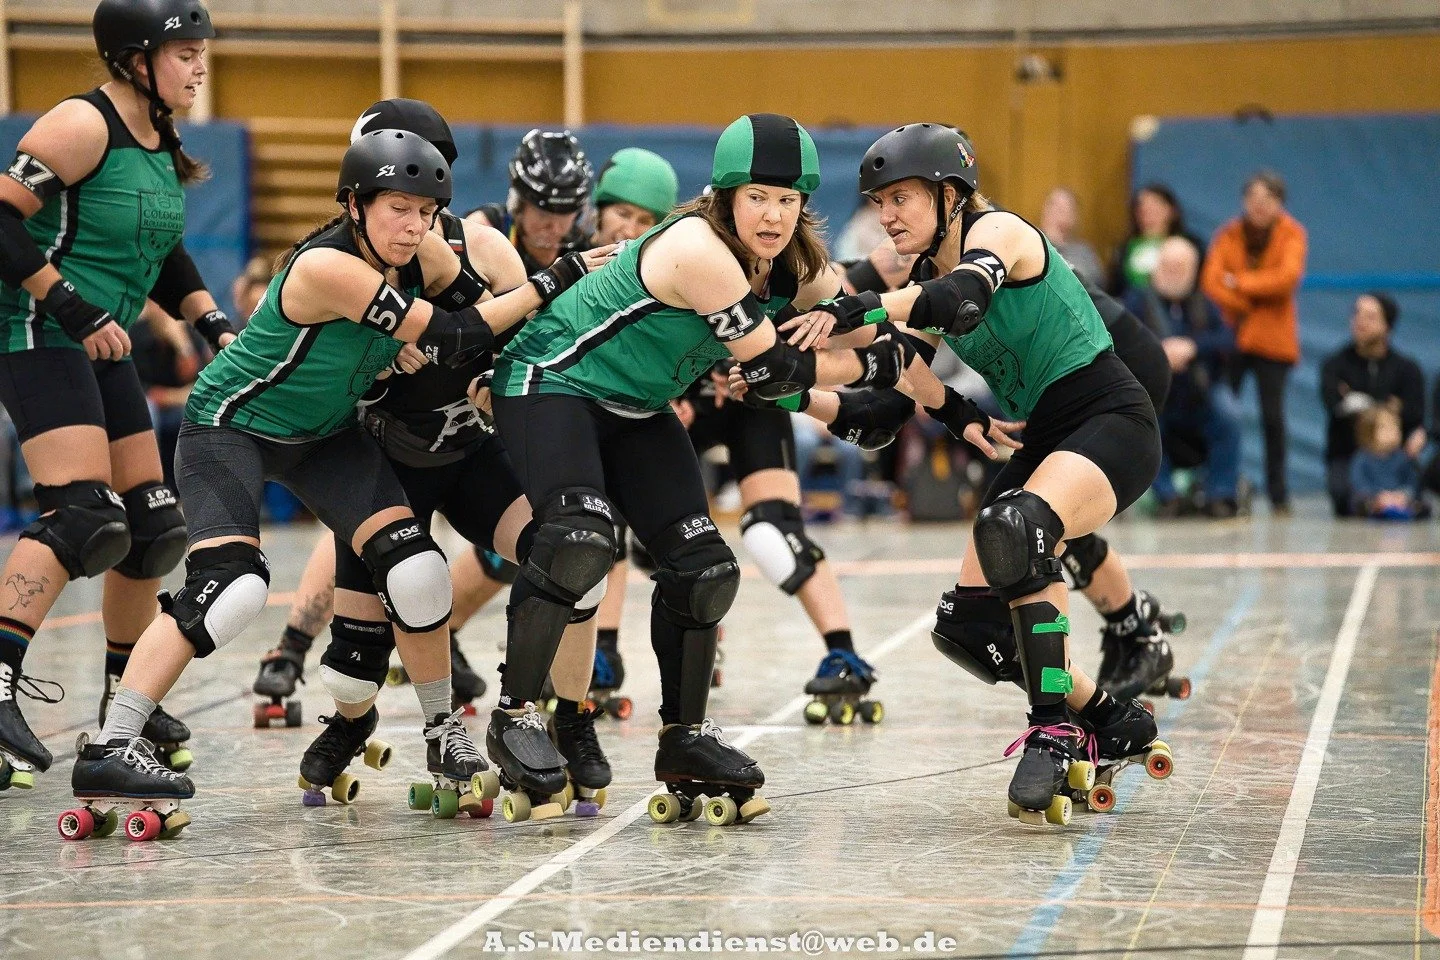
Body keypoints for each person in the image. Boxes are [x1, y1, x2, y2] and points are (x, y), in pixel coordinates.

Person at [62, 128, 598, 834]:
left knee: (416, 571)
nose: (413, 226)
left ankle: (444, 731)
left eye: (425, 212)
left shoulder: (417, 252)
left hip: (325, 438)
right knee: (234, 585)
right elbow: (449, 333)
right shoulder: (326, 266)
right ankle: (110, 743)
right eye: (397, 209)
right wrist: (559, 274)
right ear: (354, 206)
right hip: (233, 427)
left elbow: (465, 325)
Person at [490, 114, 911, 826]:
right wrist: (854, 375)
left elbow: (881, 338)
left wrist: (913, 379)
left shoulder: (796, 264)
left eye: (787, 199)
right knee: (581, 539)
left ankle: (683, 739)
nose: (774, 215)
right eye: (757, 197)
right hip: (550, 382)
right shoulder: (697, 248)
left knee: (704, 567)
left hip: (636, 407)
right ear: (725, 196)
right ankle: (516, 715)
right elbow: (777, 372)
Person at [779, 122, 1167, 824]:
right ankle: (1109, 716)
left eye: (900, 198)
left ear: (950, 195)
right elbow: (885, 396)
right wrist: (790, 388)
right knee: (965, 628)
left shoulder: (1004, 234)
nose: (886, 214)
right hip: (1045, 439)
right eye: (879, 201)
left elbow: (962, 298)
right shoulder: (923, 275)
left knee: (1017, 529)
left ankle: (1052, 723)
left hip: (1111, 418)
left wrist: (854, 306)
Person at [0, 0, 236, 791]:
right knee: (83, 516)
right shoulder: (82, 124)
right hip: (37, 327)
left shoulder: (159, 141)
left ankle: (119, 707)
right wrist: (66, 301)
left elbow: (165, 256)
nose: (200, 66)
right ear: (136, 59)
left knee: (154, 528)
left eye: (204, 51)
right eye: (185, 53)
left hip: (98, 342)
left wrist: (215, 327)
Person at [1201, 171, 1307, 514]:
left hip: (1273, 342)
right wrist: (1246, 297)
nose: (1260, 207)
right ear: (1244, 202)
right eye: (1253, 199)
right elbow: (1212, 282)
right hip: (1231, 338)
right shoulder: (1228, 234)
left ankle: (1279, 493)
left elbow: (1286, 280)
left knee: (1273, 418)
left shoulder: (1293, 234)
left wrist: (1239, 283)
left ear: (1279, 204)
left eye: (1268, 200)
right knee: (1221, 411)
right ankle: (1219, 488)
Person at [1128, 236, 1242, 517]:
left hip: (1199, 394)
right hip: (1154, 394)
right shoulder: (1136, 301)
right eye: (1167, 265)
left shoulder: (1206, 303)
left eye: (1181, 267)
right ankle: (1167, 497)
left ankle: (1221, 495)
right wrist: (1160, 351)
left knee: (1229, 413)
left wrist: (1192, 347)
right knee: (1140, 419)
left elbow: (1228, 340)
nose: (1172, 272)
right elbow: (1118, 340)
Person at [1318, 292, 1425, 516]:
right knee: (1342, 497)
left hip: (1393, 457)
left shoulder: (1407, 369)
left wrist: (1358, 402)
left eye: (1370, 317)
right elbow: (1334, 406)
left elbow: (1414, 416)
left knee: (1415, 492)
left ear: (1388, 325)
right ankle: (1374, 502)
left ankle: (1391, 500)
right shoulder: (1335, 364)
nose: (1360, 321)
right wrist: (1388, 407)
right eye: (1356, 314)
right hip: (1348, 454)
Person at [470, 129, 593, 273]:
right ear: (518, 206)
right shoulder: (484, 230)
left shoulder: (583, 250)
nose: (554, 228)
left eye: (564, 217)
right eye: (543, 215)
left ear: (577, 214)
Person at [1109, 182, 1194, 298]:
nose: (1148, 213)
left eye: (1155, 207)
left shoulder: (1186, 247)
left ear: (1171, 210)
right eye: (1142, 208)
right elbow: (1114, 288)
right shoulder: (1124, 249)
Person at [1349, 406, 1427, 520]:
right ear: (1370, 431)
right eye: (1386, 428)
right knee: (1359, 502)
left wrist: (1403, 495)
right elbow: (1359, 483)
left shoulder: (1403, 457)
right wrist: (1379, 497)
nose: (1393, 432)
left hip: (1399, 498)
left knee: (1422, 505)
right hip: (1375, 499)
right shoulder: (1362, 458)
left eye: (1396, 427)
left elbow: (1412, 481)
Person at [1039, 187, 1103, 288]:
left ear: (1074, 216)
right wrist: (1051, 241)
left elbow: (1096, 284)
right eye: (1053, 206)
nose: (1056, 213)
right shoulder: (1034, 244)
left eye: (1063, 209)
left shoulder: (1084, 252)